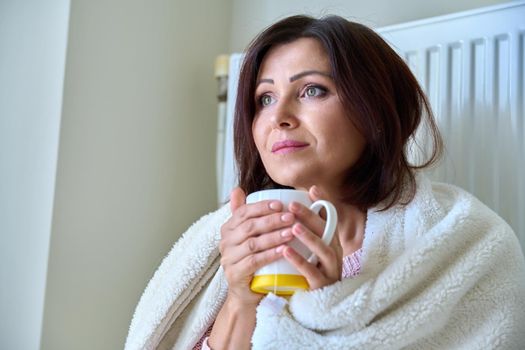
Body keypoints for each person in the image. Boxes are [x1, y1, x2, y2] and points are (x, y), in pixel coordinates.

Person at [125, 15, 525, 350]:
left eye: (312, 90)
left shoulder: (466, 242)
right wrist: (241, 299)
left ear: (375, 112)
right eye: (264, 98)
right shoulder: (219, 245)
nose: (278, 115)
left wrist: (329, 306)